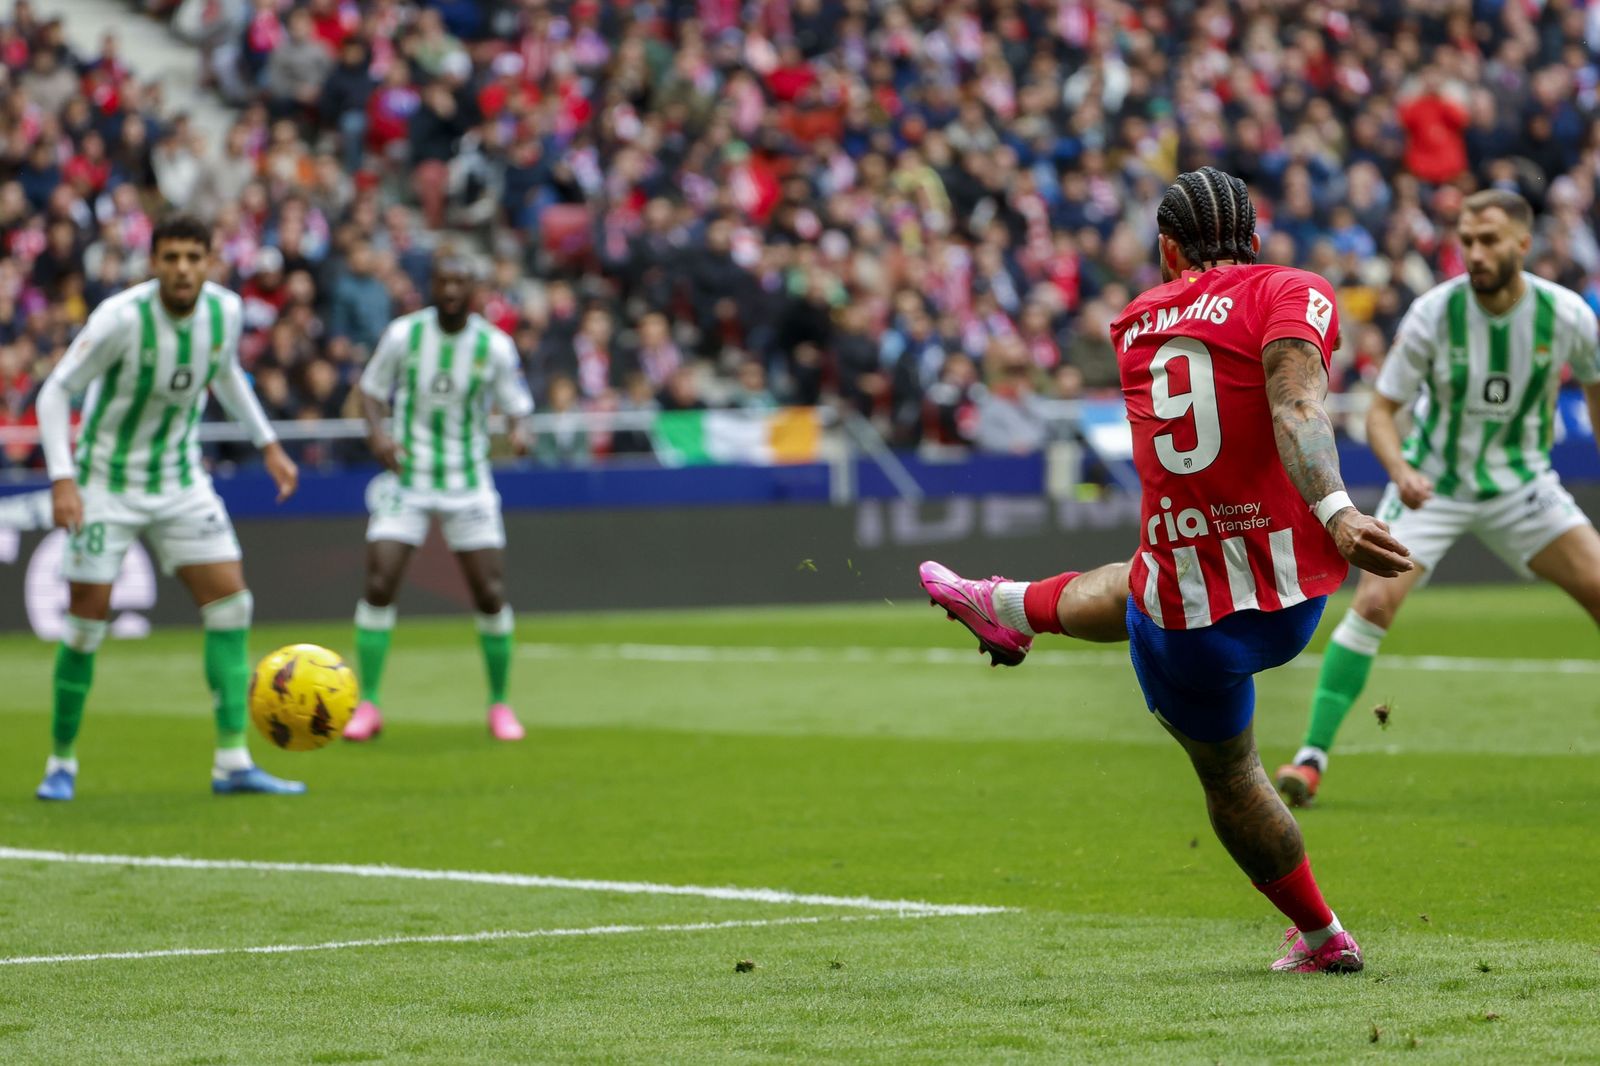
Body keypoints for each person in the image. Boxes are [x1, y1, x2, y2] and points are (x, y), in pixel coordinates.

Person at [920, 168, 1413, 974]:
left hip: (1190, 617)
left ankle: (1324, 936)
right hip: (1294, 593)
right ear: (1255, 238)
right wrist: (1338, 512)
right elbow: (1296, 405)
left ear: (1167, 249)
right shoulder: (1294, 290)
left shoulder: (1136, 322)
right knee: (1138, 577)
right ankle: (1006, 606)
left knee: (1232, 772)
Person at [1278, 191, 1600, 805]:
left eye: (1489, 241)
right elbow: (1380, 411)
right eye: (1467, 241)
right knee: (1373, 602)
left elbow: (1596, 389)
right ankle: (1311, 757)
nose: (1475, 253)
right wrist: (1400, 470)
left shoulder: (1567, 316)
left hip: (1524, 485)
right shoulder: (1433, 312)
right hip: (1433, 485)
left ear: (1523, 243)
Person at [32, 214, 305, 800]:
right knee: (84, 627)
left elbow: (226, 374)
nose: (182, 269)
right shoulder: (120, 319)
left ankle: (232, 762)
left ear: (210, 263)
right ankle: (61, 762)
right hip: (105, 484)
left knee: (232, 605)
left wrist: (268, 444)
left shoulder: (226, 312)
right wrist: (62, 479)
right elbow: (55, 391)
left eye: (193, 257)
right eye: (172, 257)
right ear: (153, 263)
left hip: (181, 482)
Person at [347, 259, 535, 742]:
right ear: (431, 287)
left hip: (466, 482)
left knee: (489, 593)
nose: (450, 290)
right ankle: (368, 703)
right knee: (380, 581)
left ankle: (499, 704)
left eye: (459, 282)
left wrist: (520, 431)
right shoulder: (404, 335)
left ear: (474, 290)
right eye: (443, 282)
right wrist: (378, 435)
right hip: (408, 478)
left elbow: (517, 406)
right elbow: (370, 391)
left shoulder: (494, 346)